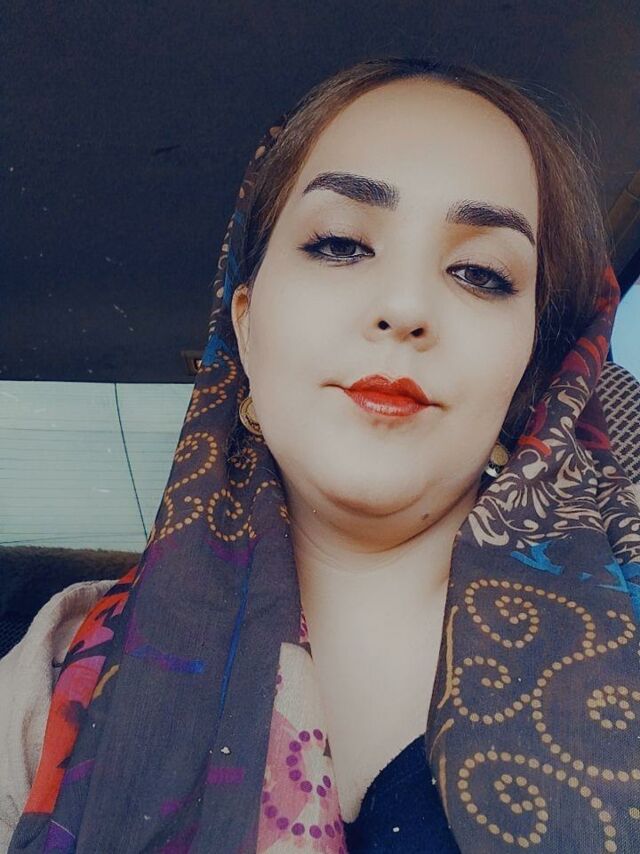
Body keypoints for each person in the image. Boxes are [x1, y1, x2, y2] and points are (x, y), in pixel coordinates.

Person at [2, 56, 639, 853]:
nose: (404, 306)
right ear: (245, 324)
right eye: (339, 244)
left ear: (532, 371)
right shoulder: (51, 681)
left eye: (481, 273)